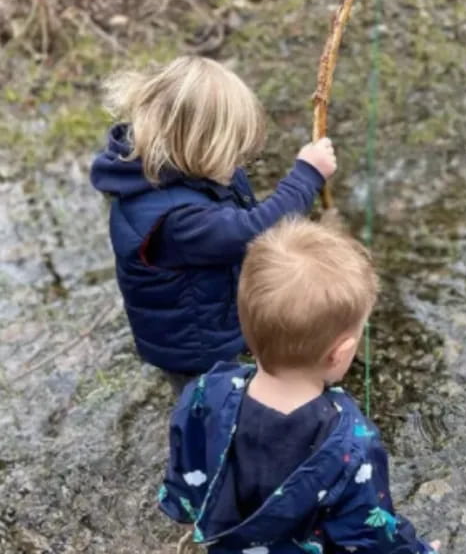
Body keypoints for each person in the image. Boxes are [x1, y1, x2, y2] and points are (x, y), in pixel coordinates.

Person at [158, 217, 445, 554]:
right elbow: (371, 539)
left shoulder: (205, 393)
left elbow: (186, 483)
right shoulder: (351, 445)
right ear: (342, 351)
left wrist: (184, 509)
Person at [89, 55, 337, 394]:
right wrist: (306, 177)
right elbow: (254, 232)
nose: (238, 163)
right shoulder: (178, 220)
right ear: (196, 147)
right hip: (195, 348)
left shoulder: (171, 172)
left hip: (206, 318)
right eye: (232, 151)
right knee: (209, 409)